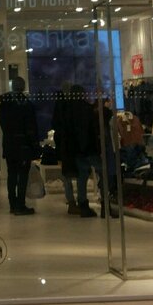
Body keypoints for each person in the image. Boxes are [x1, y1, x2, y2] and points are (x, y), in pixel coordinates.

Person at [0, 75, 39, 215]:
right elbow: (31, 127)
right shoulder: (26, 104)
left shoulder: (5, 103)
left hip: (10, 144)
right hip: (23, 145)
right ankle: (20, 204)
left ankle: (13, 204)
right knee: (22, 175)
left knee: (12, 175)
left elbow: (2, 123)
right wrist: (34, 145)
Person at [70, 84, 102, 218]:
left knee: (81, 178)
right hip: (89, 148)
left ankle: (83, 203)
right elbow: (92, 130)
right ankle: (105, 201)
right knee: (102, 172)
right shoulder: (87, 109)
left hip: (77, 149)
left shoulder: (69, 111)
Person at [52, 83, 80, 215]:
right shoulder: (74, 106)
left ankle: (72, 201)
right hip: (74, 145)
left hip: (64, 145)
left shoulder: (60, 105)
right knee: (79, 174)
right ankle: (79, 201)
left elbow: (55, 123)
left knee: (67, 175)